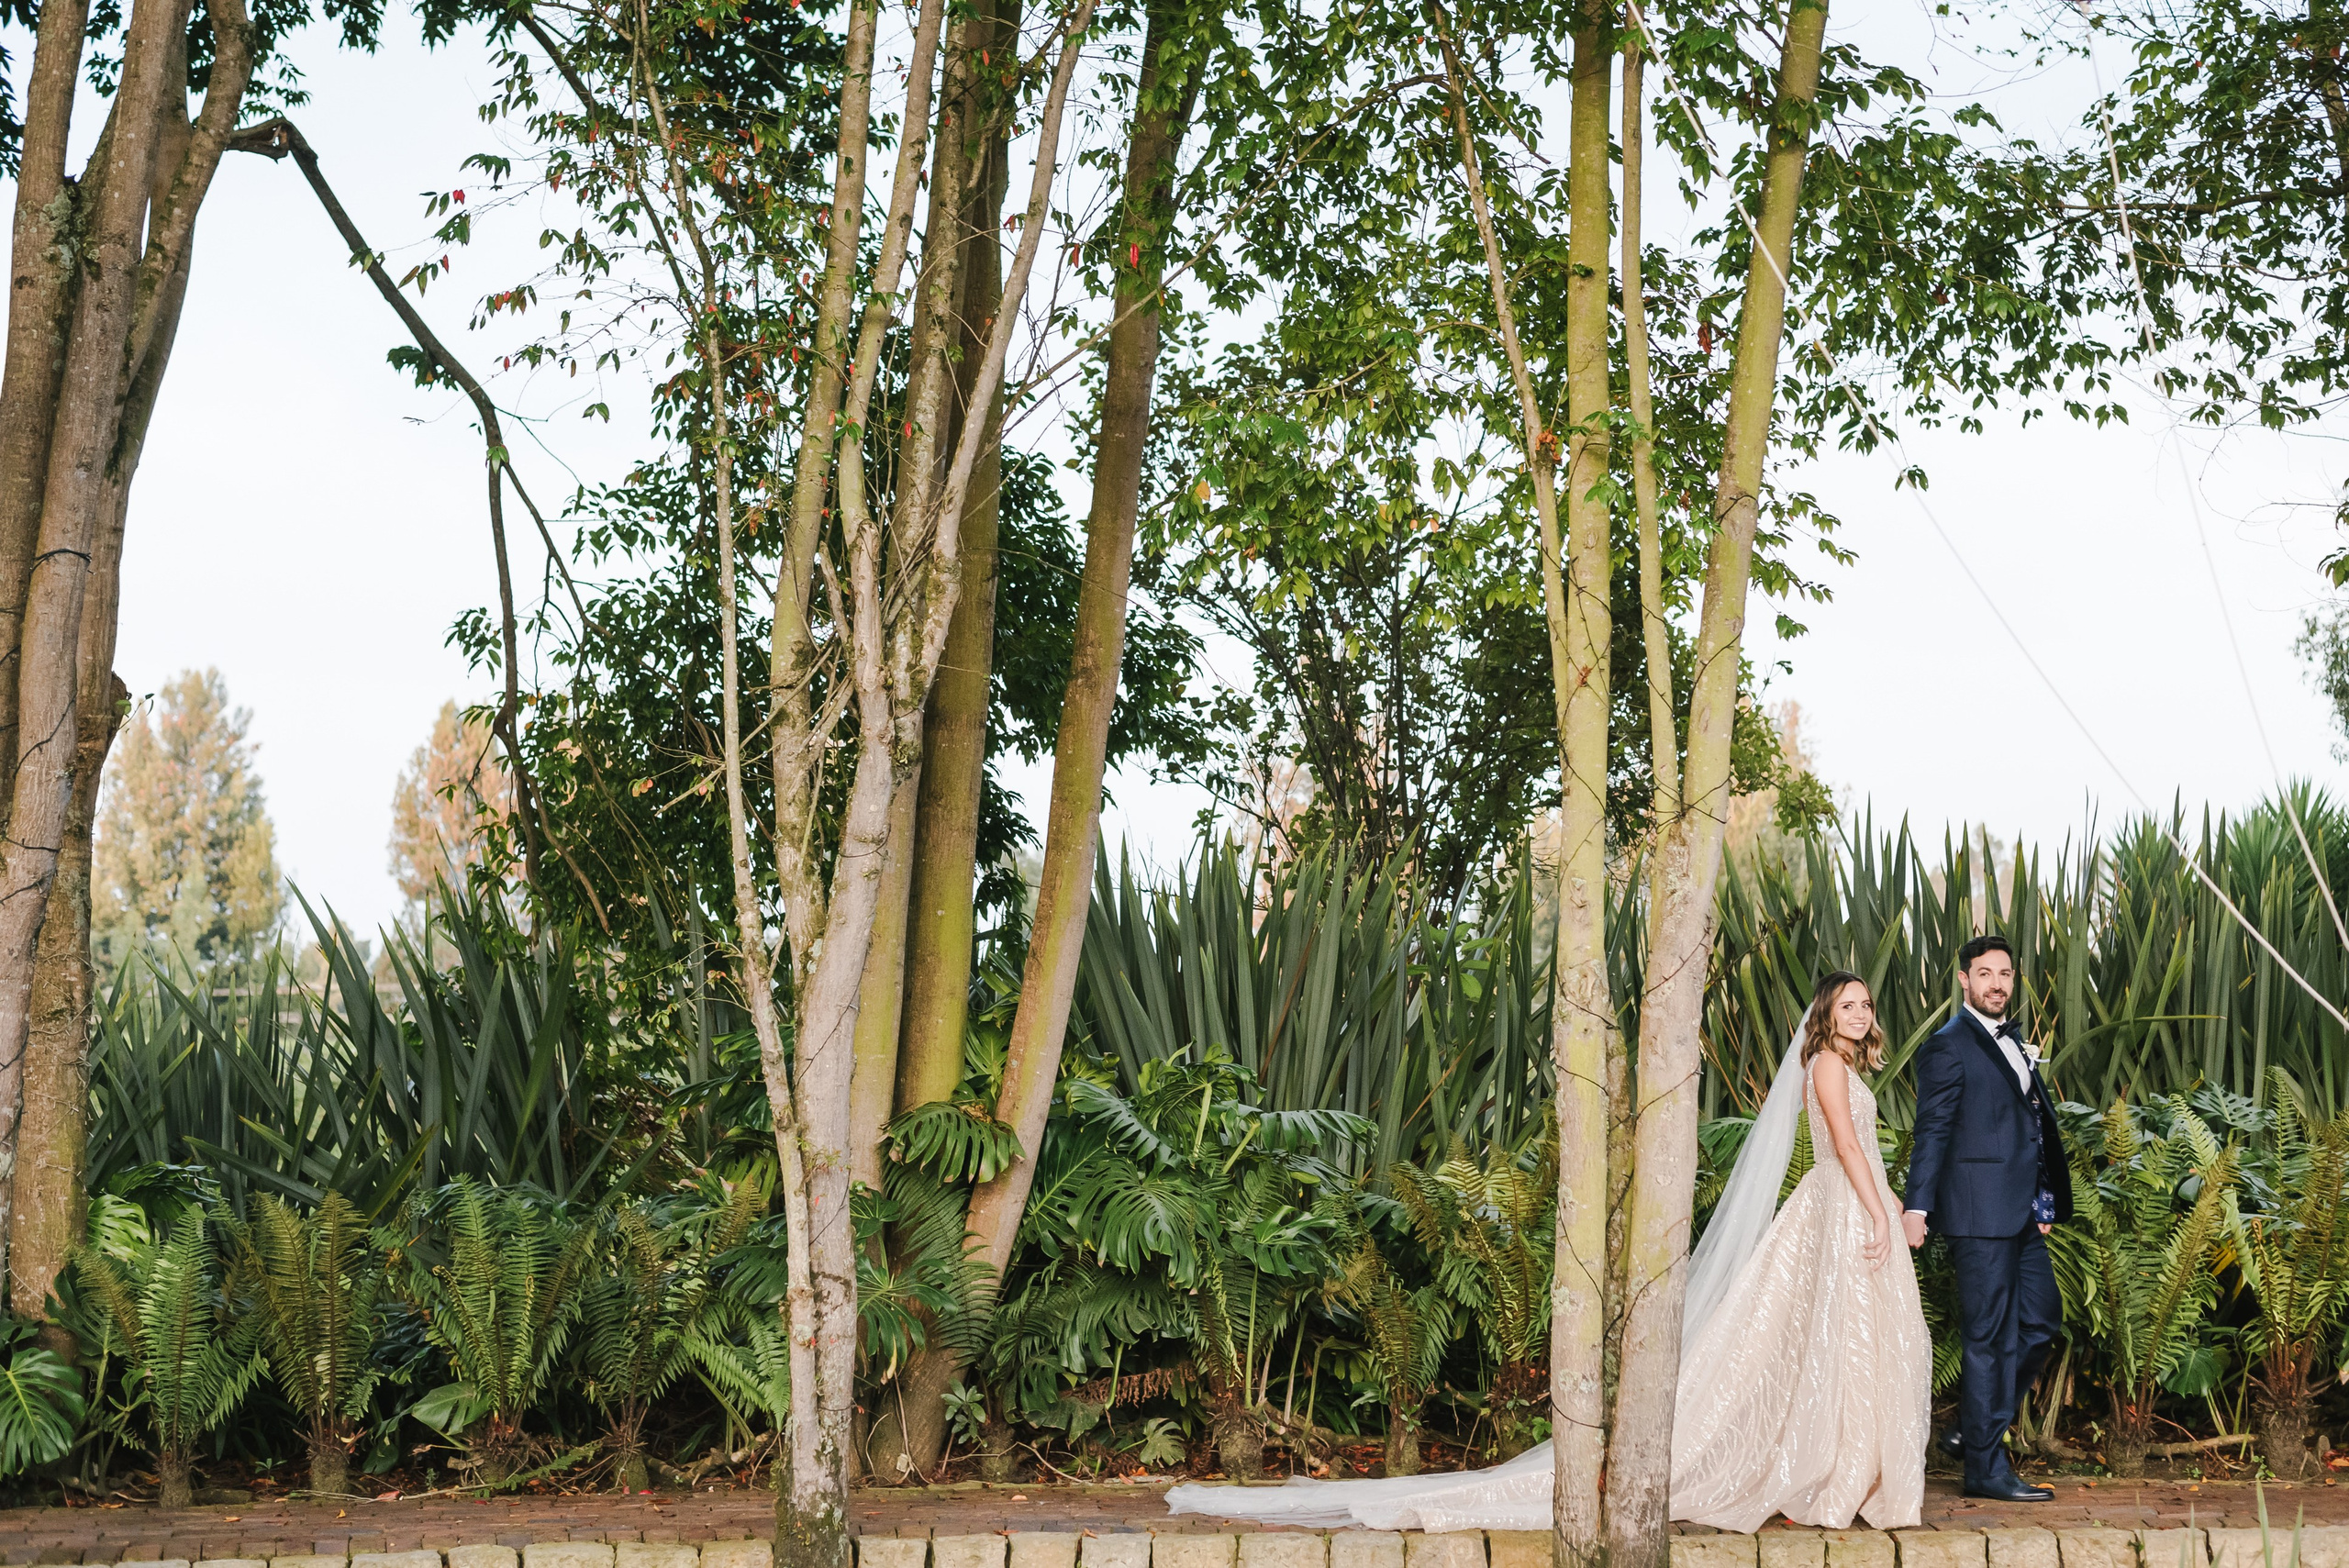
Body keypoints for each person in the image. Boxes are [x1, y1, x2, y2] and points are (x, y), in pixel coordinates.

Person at [1161, 971, 1930, 1533]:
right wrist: (1878, 1211)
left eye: (1866, 1004)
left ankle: (1847, 1467)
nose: (1860, 1014)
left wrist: (1895, 1209)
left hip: (1852, 1206)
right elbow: (1850, 1154)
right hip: (1838, 1207)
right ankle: (1833, 1472)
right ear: (1825, 1013)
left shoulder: (1850, 1065)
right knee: (1831, 1343)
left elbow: (1867, 1152)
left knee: (1842, 1347)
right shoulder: (1827, 1065)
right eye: (1848, 1003)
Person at [1901, 933, 2071, 1503]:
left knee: (2043, 1320)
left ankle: (1972, 1430)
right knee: (1987, 1339)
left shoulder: (2013, 1039)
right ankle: (1985, 1469)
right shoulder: (1948, 1046)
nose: (1997, 983)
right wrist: (1917, 1206)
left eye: (2005, 973)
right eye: (1985, 974)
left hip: (2020, 1213)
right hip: (1976, 1213)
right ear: (1964, 981)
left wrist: (2042, 1199)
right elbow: (1933, 1131)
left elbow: (2030, 1124)